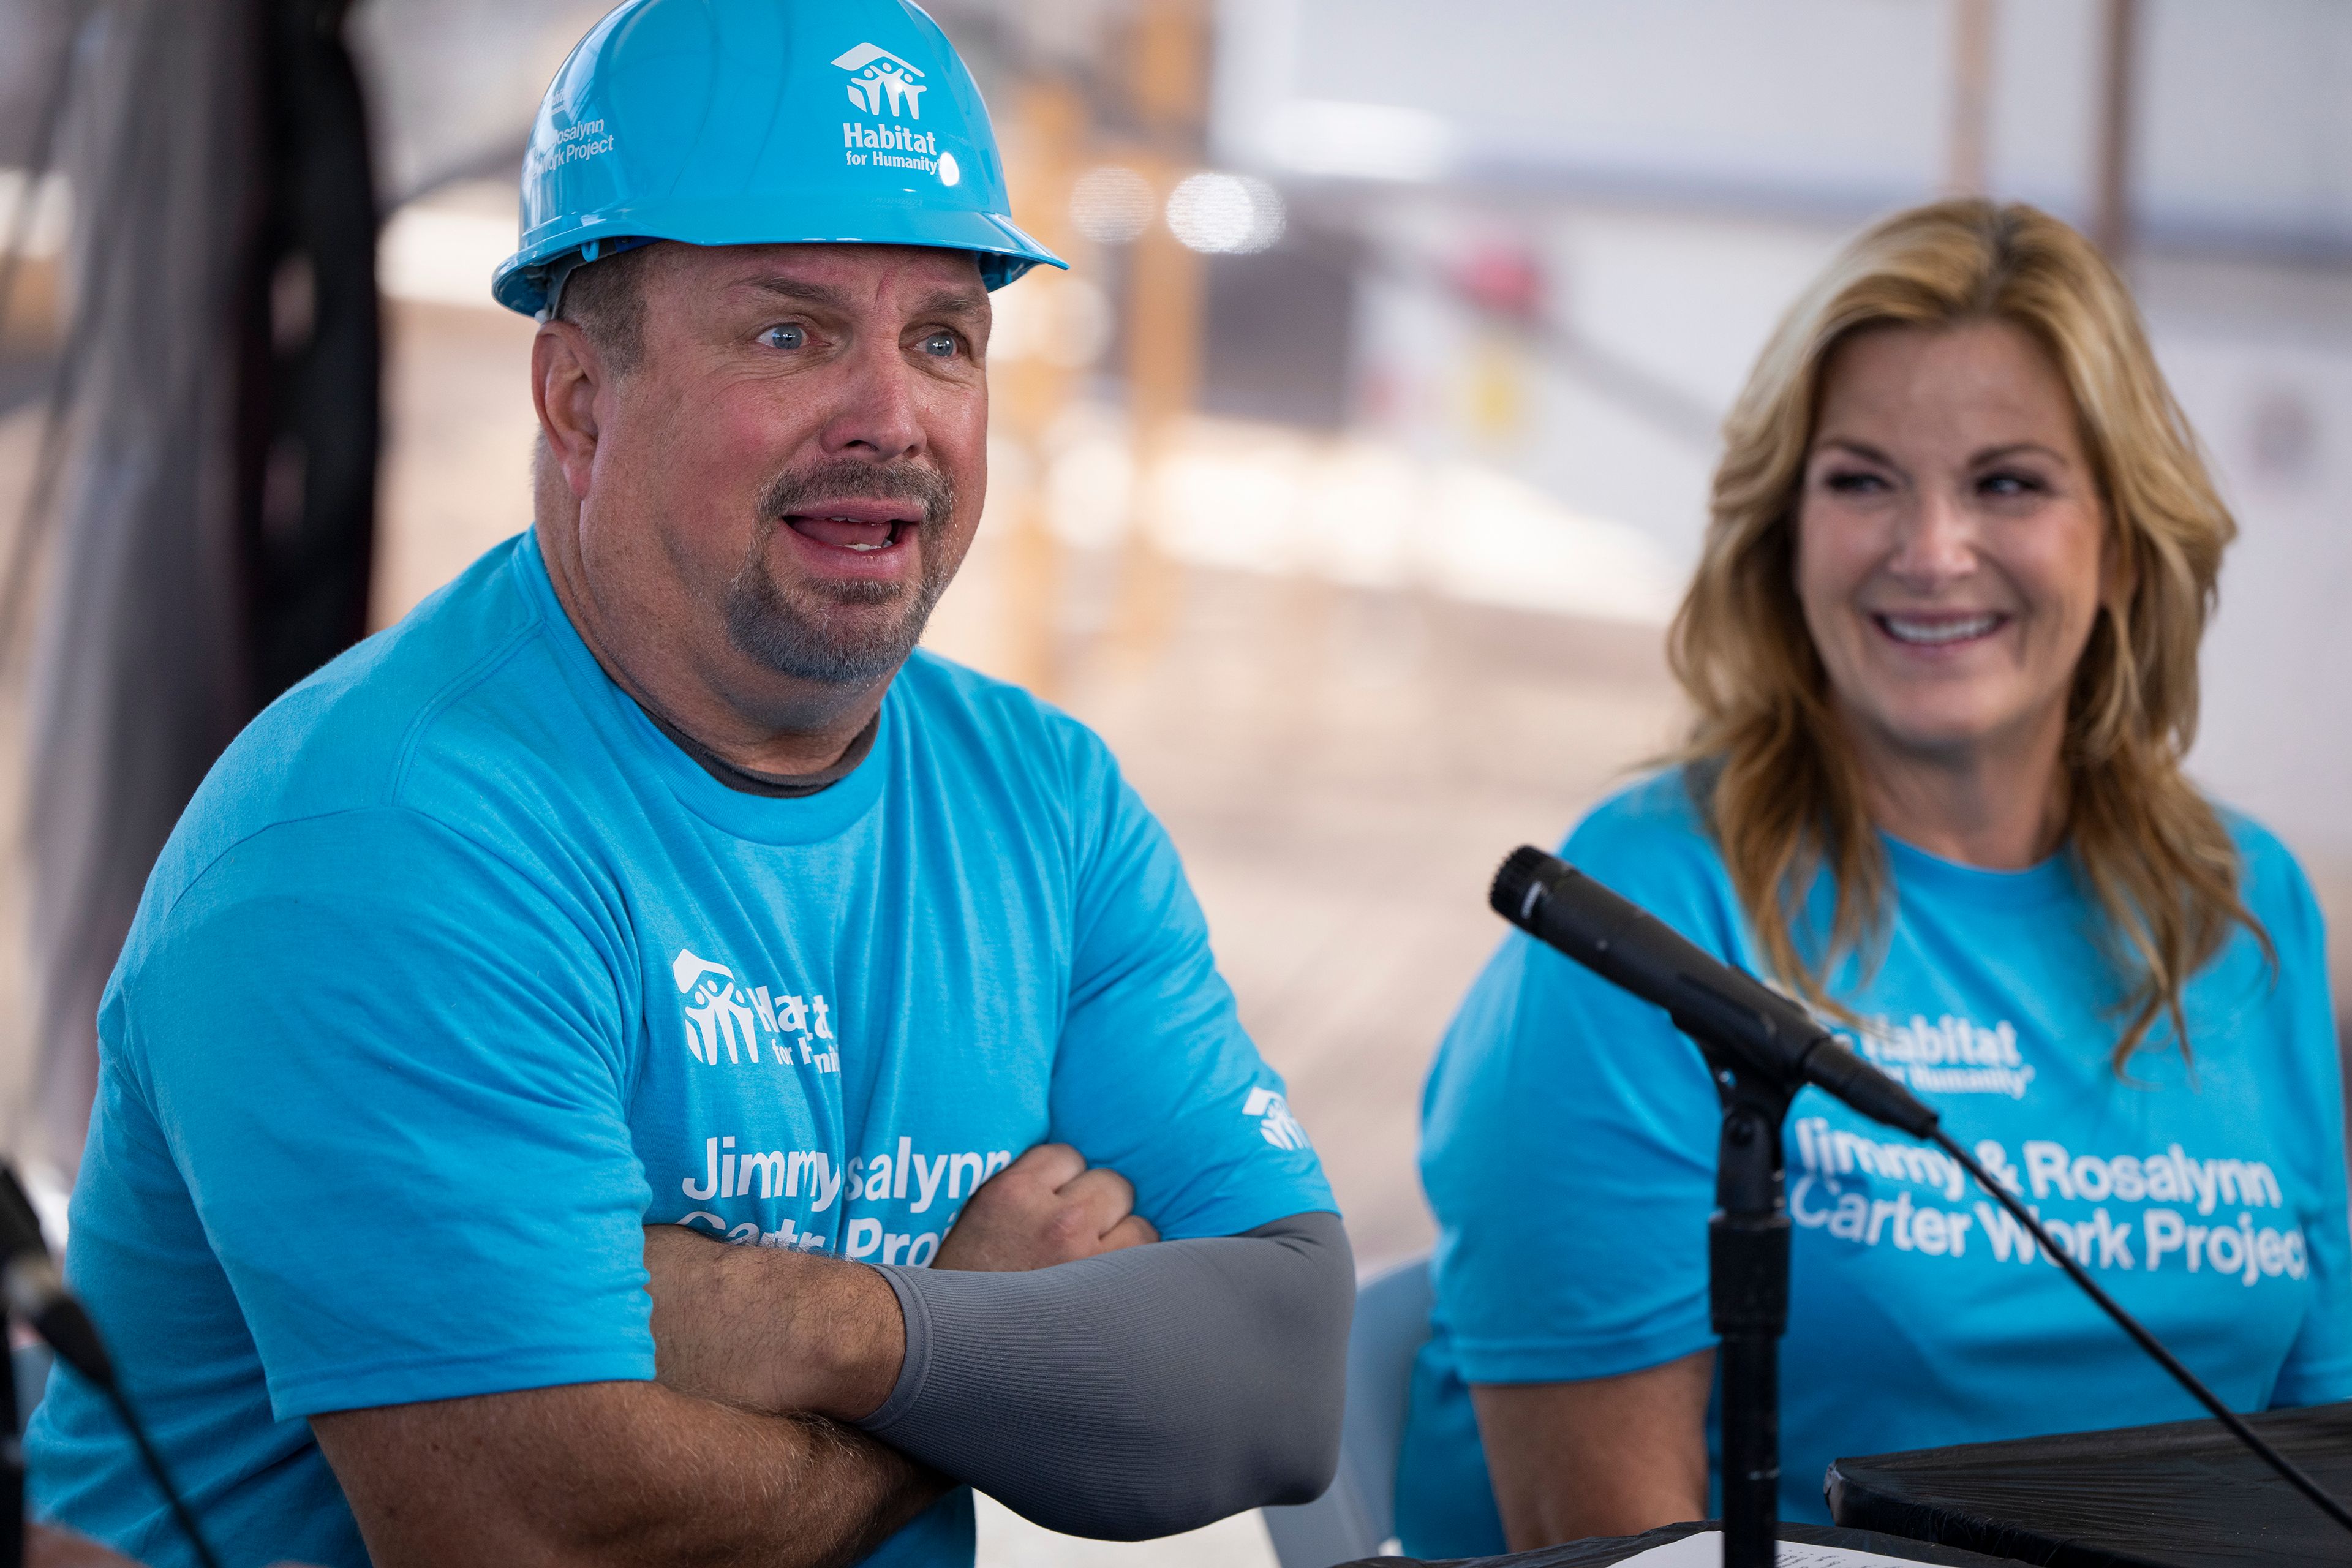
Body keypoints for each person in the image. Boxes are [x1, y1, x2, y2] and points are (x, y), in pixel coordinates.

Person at [25, 3, 1351, 1565]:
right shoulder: (382, 836)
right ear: (578, 401)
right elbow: (540, 1532)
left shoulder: (1044, 802)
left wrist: (853, 1330)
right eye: (787, 332)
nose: (891, 415)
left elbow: (1280, 1371)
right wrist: (997, 1342)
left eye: (943, 337)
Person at [1395, 198, 2352, 1553]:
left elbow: (2320, 1453)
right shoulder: (1650, 909)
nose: (1932, 548)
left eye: (2009, 482)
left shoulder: (2247, 905)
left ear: (2123, 538)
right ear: (1785, 532)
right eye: (1862, 479)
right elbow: (1614, 1544)